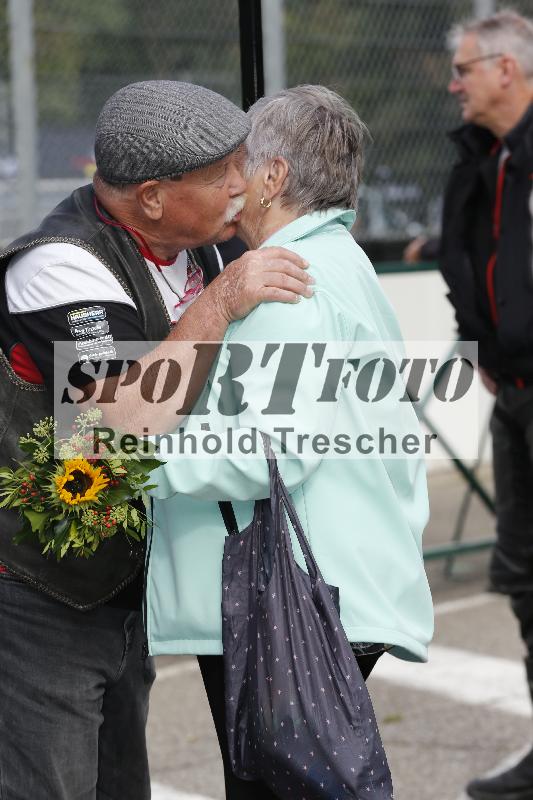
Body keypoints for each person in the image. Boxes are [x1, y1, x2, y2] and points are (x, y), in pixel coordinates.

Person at [0, 80, 313, 800]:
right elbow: (121, 423)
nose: (241, 185)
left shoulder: (189, 240)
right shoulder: (59, 267)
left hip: (120, 585)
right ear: (149, 197)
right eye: (220, 175)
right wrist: (222, 300)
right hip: (40, 594)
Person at [145, 84, 434, 799]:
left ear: (272, 177)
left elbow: (267, 450)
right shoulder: (336, 261)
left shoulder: (286, 283)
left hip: (284, 595)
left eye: (235, 163)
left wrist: (121, 462)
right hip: (316, 586)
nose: (226, 181)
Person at [438, 12, 533, 800]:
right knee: (524, 575)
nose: (453, 82)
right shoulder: (478, 158)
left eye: (464, 68)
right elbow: (467, 255)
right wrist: (484, 348)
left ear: (507, 69)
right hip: (512, 395)